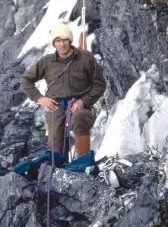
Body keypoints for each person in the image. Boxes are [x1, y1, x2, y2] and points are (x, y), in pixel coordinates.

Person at [21, 23, 106, 158]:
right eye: (58, 41)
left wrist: (83, 101)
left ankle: (84, 163)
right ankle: (60, 172)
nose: (61, 44)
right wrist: (39, 98)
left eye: (65, 40)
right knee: (56, 148)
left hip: (78, 105)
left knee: (80, 118)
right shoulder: (47, 62)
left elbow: (100, 84)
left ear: (70, 40)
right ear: (54, 43)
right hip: (55, 107)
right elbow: (25, 80)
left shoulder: (86, 58)